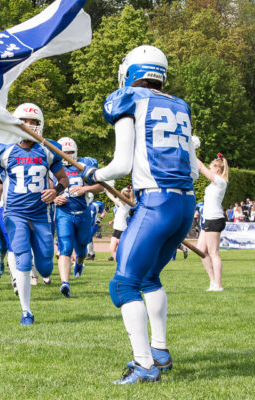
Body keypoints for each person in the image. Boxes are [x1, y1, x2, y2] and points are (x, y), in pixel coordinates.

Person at [81, 45, 198, 384]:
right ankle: (159, 351)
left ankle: (144, 364)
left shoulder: (129, 99)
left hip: (156, 204)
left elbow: (121, 165)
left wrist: (92, 175)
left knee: (123, 284)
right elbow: (191, 170)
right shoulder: (180, 105)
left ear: (131, 73)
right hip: (185, 204)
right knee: (149, 278)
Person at [0, 103, 69, 325]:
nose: (29, 125)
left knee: (46, 266)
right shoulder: (5, 151)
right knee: (23, 258)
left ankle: (37, 273)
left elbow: (64, 180)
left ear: (40, 125)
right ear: (16, 125)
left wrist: (55, 190)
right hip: (14, 212)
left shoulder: (49, 150)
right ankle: (26, 310)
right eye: (24, 122)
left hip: (41, 213)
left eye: (34, 122)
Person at [53, 137, 103, 297]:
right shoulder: (53, 166)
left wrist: (85, 189)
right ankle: (65, 284)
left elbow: (101, 186)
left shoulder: (84, 164)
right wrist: (54, 198)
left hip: (83, 213)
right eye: (64, 152)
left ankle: (80, 263)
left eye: (70, 152)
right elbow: (44, 188)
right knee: (65, 248)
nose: (67, 155)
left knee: (82, 249)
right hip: (64, 213)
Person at [196, 155, 228, 291]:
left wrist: (191, 149)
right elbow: (204, 169)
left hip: (214, 219)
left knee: (213, 252)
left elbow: (202, 168)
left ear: (218, 170)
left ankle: (218, 285)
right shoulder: (214, 183)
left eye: (212, 168)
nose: (209, 169)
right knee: (200, 250)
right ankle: (213, 281)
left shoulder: (220, 181)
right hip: (208, 219)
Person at [105, 186, 134, 262]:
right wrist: (113, 221)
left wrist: (106, 190)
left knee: (119, 249)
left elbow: (113, 198)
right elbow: (119, 215)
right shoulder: (124, 205)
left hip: (121, 229)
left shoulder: (125, 204)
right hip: (118, 229)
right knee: (112, 248)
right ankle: (119, 264)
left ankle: (121, 263)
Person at [86, 193, 106, 261]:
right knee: (89, 239)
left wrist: (100, 218)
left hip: (93, 224)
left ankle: (91, 253)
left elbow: (103, 211)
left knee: (88, 238)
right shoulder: (83, 203)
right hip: (85, 224)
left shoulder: (97, 204)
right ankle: (90, 253)